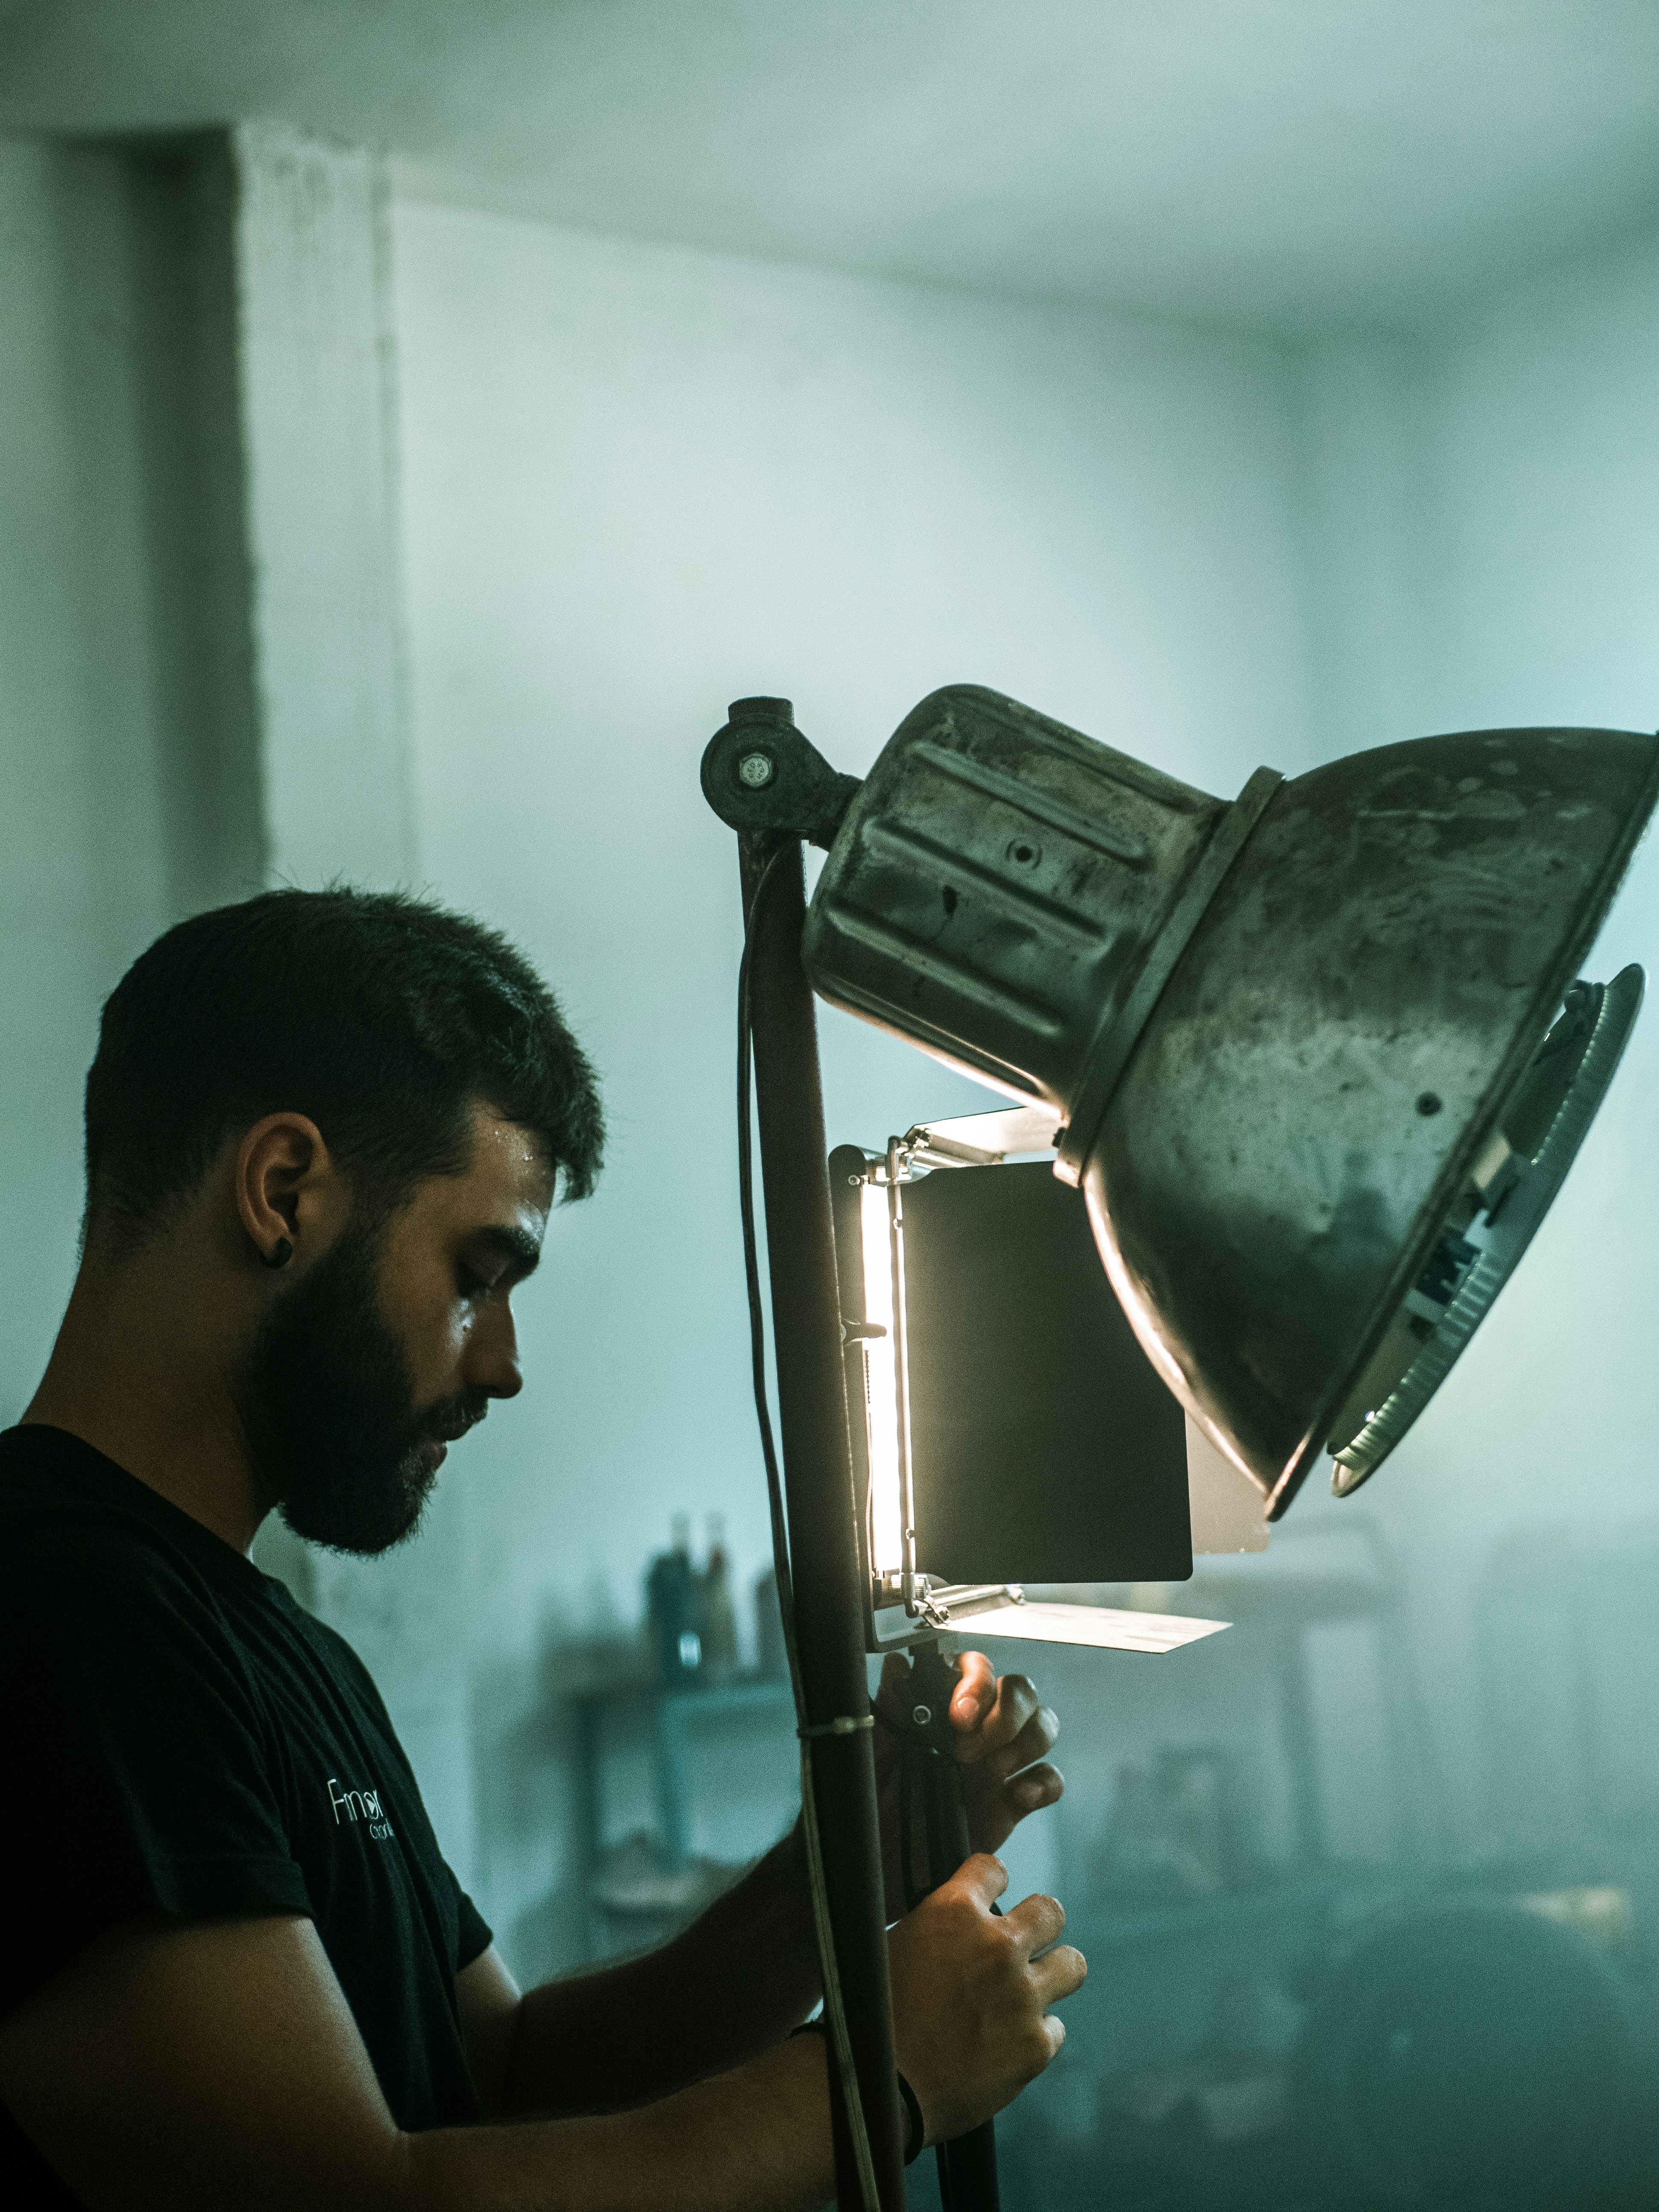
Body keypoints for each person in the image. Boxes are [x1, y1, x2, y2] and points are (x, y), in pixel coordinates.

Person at [0, 888, 1085, 2212]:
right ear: (283, 1191)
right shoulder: (58, 1609)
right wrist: (883, 2085)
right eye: (477, 1274)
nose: (504, 1364)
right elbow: (344, 2200)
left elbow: (508, 2076)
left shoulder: (277, 1652)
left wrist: (837, 1870)